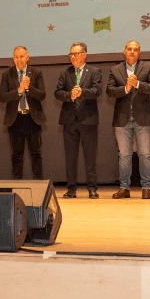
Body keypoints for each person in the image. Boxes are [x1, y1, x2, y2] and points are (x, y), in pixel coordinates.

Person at [106, 41, 150, 199]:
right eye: (129, 49)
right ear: (124, 51)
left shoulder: (148, 67)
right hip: (122, 117)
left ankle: (146, 187)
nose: (132, 52)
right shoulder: (115, 69)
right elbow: (110, 91)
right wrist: (126, 89)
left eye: (135, 50)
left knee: (145, 154)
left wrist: (138, 84)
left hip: (143, 117)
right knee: (124, 155)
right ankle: (124, 188)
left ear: (139, 53)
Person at [55, 42, 103, 199]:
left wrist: (82, 92)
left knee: (90, 157)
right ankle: (71, 189)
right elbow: (58, 92)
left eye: (75, 54)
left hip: (88, 120)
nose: (73, 57)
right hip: (69, 120)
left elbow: (97, 91)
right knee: (70, 157)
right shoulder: (65, 72)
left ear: (84, 54)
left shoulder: (94, 71)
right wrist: (70, 95)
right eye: (71, 54)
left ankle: (92, 188)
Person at [0, 46, 46, 180]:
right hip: (15, 119)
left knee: (36, 154)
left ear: (27, 57)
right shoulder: (7, 74)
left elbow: (42, 95)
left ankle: (39, 185)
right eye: (16, 57)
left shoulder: (36, 73)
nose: (19, 60)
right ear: (13, 58)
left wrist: (29, 88)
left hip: (32, 118)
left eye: (21, 56)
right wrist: (19, 91)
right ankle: (17, 185)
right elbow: (2, 97)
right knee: (16, 155)